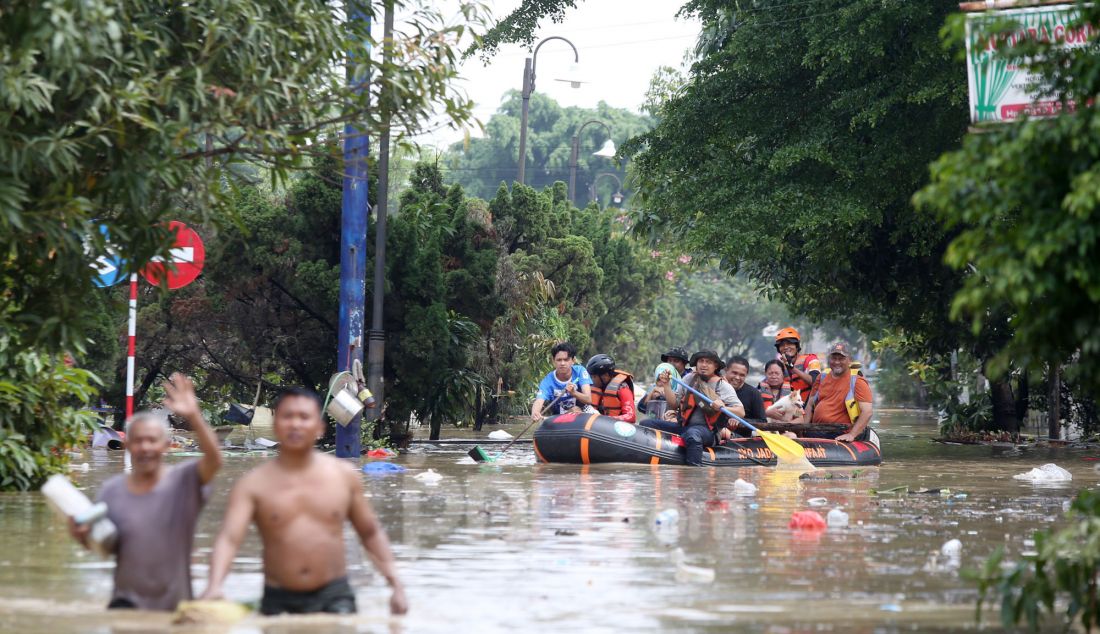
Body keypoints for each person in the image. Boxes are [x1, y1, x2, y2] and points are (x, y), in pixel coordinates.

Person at [202, 387, 407, 616]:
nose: (295, 424)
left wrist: (395, 585)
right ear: (276, 424)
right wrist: (213, 587)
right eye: (288, 416)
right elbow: (229, 539)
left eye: (304, 417)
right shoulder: (252, 484)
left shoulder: (343, 477)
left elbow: (369, 532)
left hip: (334, 596)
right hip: (278, 598)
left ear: (319, 428)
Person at [70, 373, 222, 611]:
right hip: (124, 606)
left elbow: (214, 460)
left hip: (174, 607)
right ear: (127, 446)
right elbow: (106, 546)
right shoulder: (111, 491)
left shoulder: (184, 481)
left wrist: (194, 416)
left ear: (166, 445)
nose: (145, 447)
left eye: (152, 440)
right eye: (138, 441)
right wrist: (82, 537)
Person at [642, 350, 744, 466]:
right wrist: (666, 385)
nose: (704, 365)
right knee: (647, 423)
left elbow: (741, 412)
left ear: (715, 366)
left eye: (708, 362)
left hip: (709, 432)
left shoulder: (722, 386)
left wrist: (722, 407)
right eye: (701, 361)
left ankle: (694, 473)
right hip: (684, 427)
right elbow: (673, 404)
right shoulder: (688, 379)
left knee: (692, 434)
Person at [801, 341, 874, 442]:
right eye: (834, 358)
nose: (836, 362)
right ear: (829, 359)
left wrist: (851, 435)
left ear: (849, 360)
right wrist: (803, 430)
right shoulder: (821, 377)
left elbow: (867, 412)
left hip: (840, 433)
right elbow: (809, 405)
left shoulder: (857, 381)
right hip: (816, 430)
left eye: (841, 358)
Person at [531, 342, 593, 422]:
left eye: (566, 360)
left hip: (583, 412)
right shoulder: (547, 381)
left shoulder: (580, 371)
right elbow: (539, 400)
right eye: (559, 360)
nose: (562, 363)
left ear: (573, 360)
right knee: (574, 410)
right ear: (553, 361)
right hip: (559, 418)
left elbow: (588, 399)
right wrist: (535, 413)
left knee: (578, 409)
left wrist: (574, 393)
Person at [638, 346, 690, 419]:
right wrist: (653, 392)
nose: (672, 364)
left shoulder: (689, 379)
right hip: (659, 417)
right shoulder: (662, 375)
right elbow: (641, 407)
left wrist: (666, 394)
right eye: (669, 360)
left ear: (684, 364)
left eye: (676, 361)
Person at [773, 327, 821, 402]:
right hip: (788, 408)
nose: (785, 347)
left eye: (789, 343)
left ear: (796, 346)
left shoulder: (810, 359)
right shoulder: (779, 366)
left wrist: (792, 368)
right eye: (782, 345)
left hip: (809, 407)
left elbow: (815, 382)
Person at [586, 354, 637, 424]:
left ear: (605, 376)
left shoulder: (623, 389)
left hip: (616, 429)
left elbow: (631, 416)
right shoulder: (592, 387)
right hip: (597, 426)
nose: (592, 380)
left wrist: (604, 419)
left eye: (594, 377)